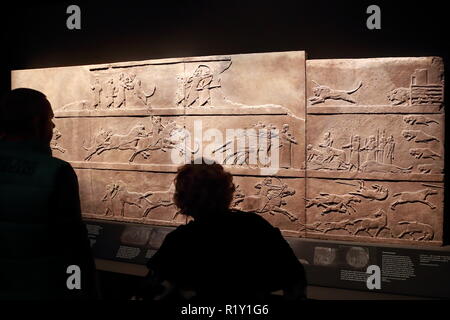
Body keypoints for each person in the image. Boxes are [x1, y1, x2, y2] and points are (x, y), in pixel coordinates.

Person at [137, 159, 306, 303]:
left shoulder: (179, 240)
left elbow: (151, 289)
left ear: (181, 198)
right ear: (227, 192)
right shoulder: (255, 226)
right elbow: (295, 278)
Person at [0, 88, 98, 299]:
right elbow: (73, 248)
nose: (53, 126)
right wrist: (78, 291)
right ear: (36, 123)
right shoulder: (56, 172)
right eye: (50, 119)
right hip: (40, 290)